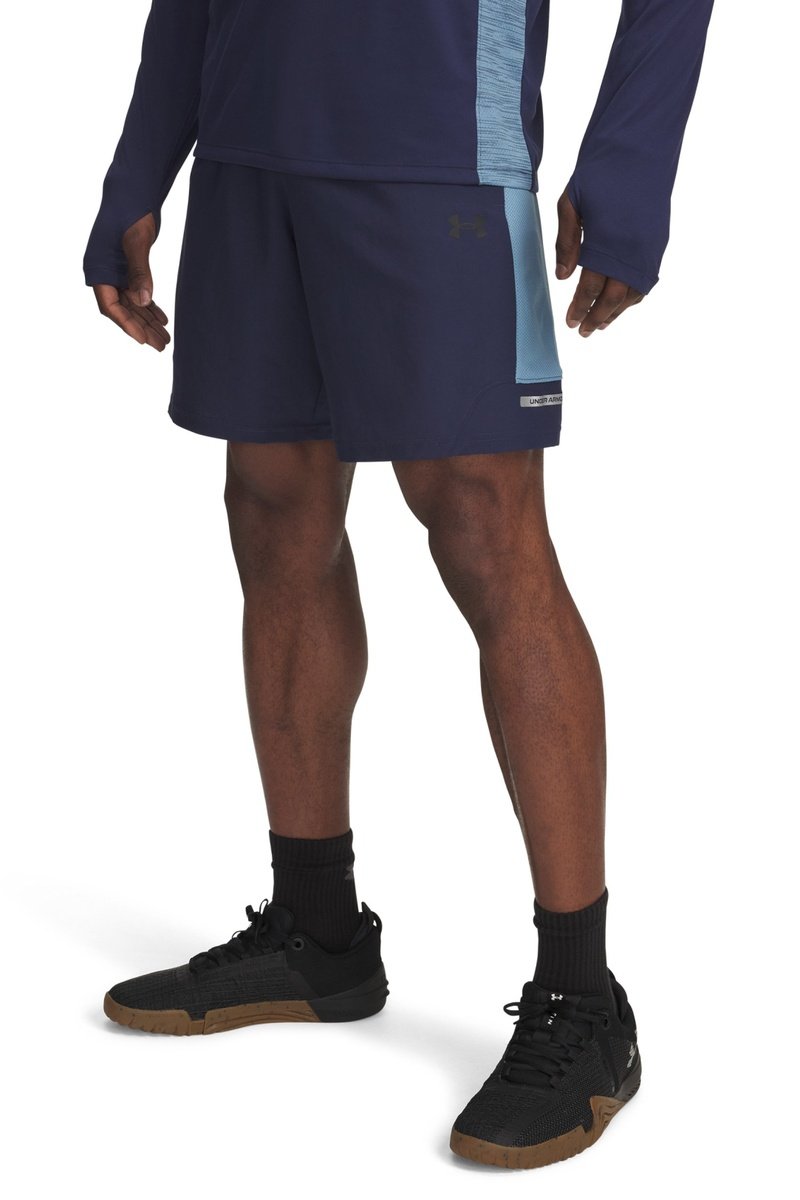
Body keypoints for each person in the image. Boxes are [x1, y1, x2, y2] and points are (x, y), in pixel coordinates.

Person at [83, 0, 714, 1170]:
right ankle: (316, 930)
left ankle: (582, 1001)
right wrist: (143, 162)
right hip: (249, 144)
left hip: (437, 148)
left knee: (484, 532)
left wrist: (628, 166)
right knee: (273, 512)